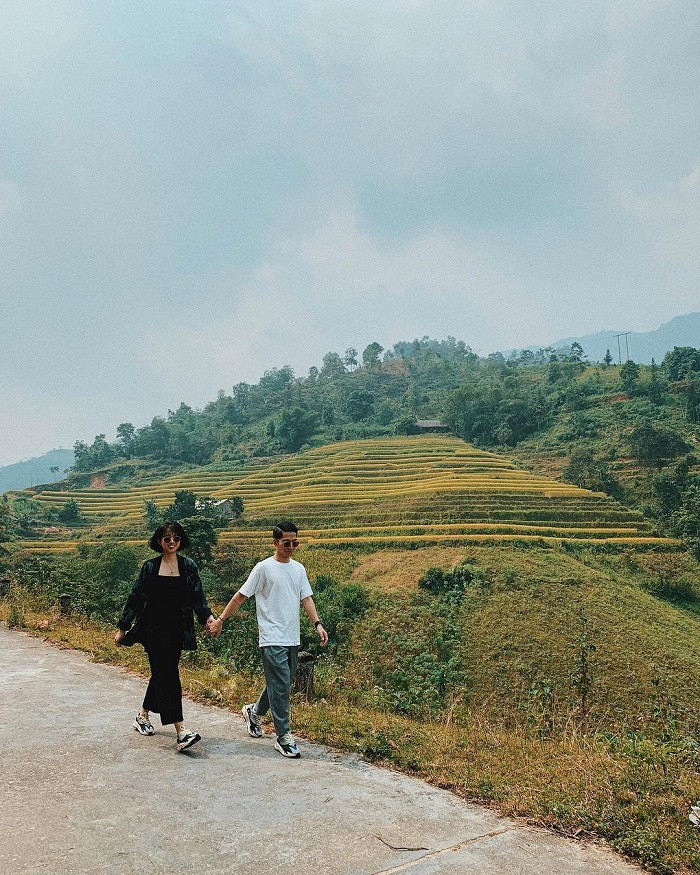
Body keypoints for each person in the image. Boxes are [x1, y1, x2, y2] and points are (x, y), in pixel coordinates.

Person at [209, 521, 328, 758]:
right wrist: (220, 619)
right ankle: (283, 736)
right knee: (282, 685)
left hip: (291, 636)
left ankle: (254, 712)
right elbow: (241, 596)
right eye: (287, 543)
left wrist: (317, 624)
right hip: (271, 636)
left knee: (280, 682)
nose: (292, 547)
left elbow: (306, 598)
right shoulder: (263, 568)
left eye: (295, 542)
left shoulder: (299, 569)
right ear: (275, 542)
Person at [114, 521, 216, 752]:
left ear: (181, 541)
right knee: (169, 674)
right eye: (167, 538)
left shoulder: (188, 566)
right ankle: (181, 731)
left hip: (177, 629)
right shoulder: (150, 567)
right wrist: (123, 628)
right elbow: (135, 597)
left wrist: (208, 618)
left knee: (162, 673)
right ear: (159, 541)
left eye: (176, 538)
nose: (172, 542)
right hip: (153, 629)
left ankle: (142, 715)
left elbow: (197, 595)